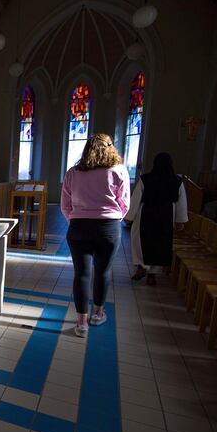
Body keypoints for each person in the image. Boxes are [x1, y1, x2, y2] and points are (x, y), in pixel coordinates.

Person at [61, 133, 130, 338]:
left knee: (81, 274)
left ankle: (81, 323)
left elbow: (66, 204)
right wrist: (113, 219)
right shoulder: (118, 170)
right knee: (103, 272)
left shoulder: (73, 172)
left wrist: (76, 219)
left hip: (78, 227)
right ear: (110, 148)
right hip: (107, 227)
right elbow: (124, 203)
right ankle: (98, 314)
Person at [125, 153, 188, 285]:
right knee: (160, 244)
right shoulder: (177, 181)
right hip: (167, 216)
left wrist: (129, 217)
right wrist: (180, 220)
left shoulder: (146, 179)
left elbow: (136, 198)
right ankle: (152, 275)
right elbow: (181, 203)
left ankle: (142, 266)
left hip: (146, 214)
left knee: (140, 241)